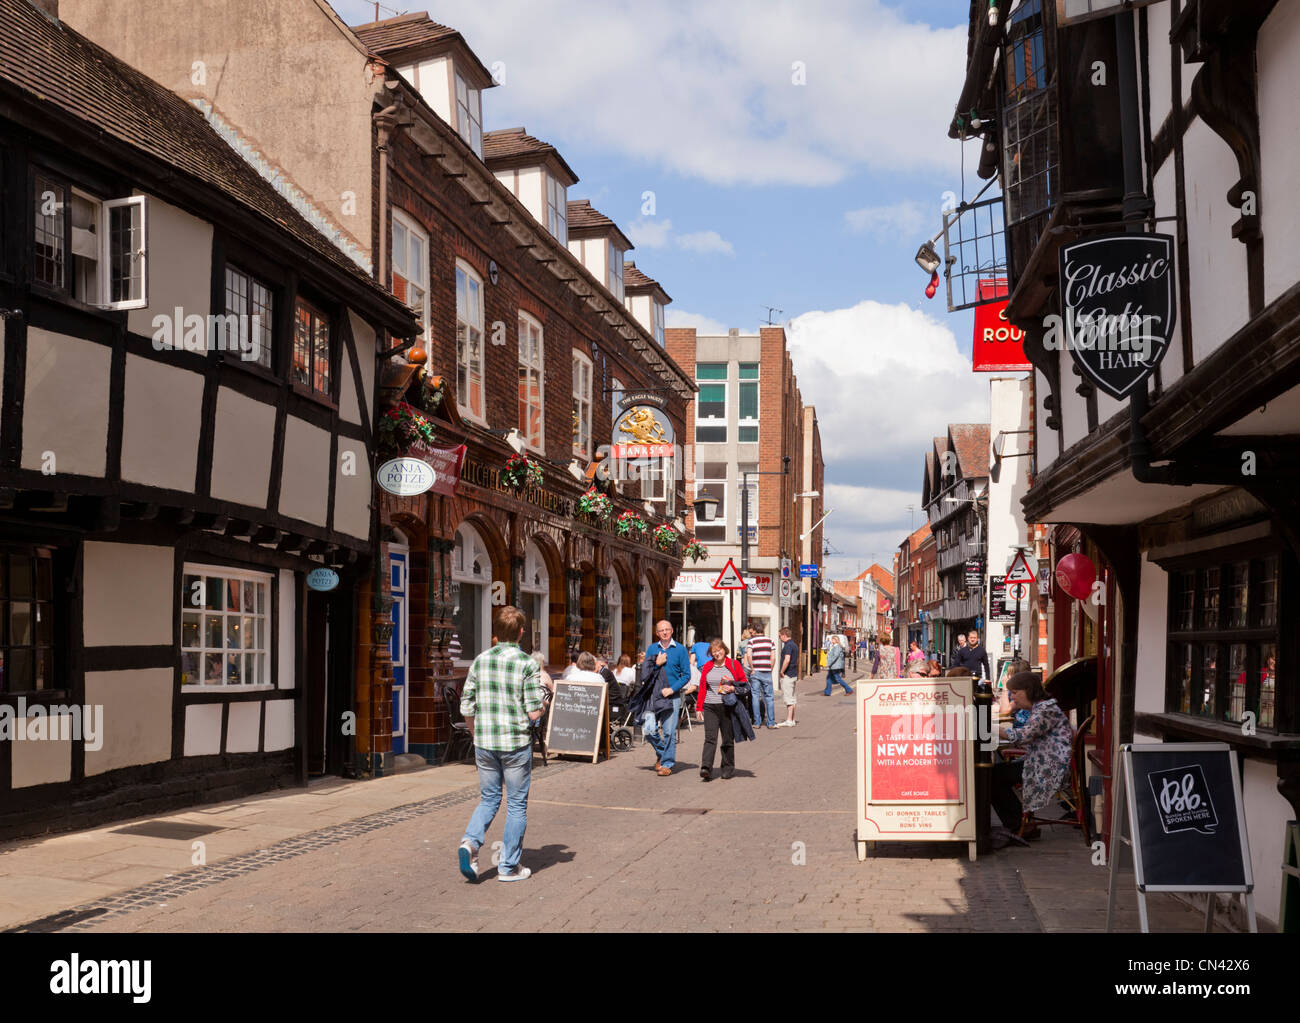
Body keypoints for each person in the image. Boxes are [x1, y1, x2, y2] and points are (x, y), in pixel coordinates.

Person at [457, 606, 548, 884]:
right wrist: (543, 704)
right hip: (514, 743)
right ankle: (508, 867)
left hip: (485, 742)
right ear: (521, 633)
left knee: (489, 798)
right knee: (517, 805)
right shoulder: (527, 663)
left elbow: (466, 706)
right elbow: (534, 712)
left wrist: (475, 735)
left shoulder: (480, 661)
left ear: (495, 632)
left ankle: (471, 842)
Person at [992, 671, 1074, 840]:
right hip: (1044, 762)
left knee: (993, 776)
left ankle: (1019, 825)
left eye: (1014, 692)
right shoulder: (1042, 708)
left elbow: (1024, 735)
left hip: (1049, 767)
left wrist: (989, 729)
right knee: (996, 773)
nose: (1012, 697)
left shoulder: (1045, 710)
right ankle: (1019, 823)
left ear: (1027, 690)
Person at [641, 619, 691, 776]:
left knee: (669, 731)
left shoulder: (681, 650)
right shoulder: (651, 649)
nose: (664, 632)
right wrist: (657, 664)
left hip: (672, 696)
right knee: (648, 729)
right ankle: (663, 753)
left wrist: (672, 689)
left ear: (672, 631)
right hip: (653, 696)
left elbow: (686, 675)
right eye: (661, 630)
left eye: (667, 629)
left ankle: (666, 764)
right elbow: (645, 673)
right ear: (657, 633)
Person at [695, 638, 748, 781]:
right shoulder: (707, 666)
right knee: (710, 738)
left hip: (727, 707)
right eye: (714, 652)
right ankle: (706, 767)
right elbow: (702, 688)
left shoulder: (734, 664)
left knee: (727, 739)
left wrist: (732, 688)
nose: (717, 653)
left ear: (725, 650)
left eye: (719, 650)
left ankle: (727, 767)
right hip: (710, 706)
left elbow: (744, 684)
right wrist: (699, 707)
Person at [745, 628, 777, 728]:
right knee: (769, 697)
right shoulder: (770, 641)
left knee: (755, 696)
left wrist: (752, 668)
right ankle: (771, 722)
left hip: (755, 671)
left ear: (754, 631)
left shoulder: (751, 641)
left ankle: (757, 722)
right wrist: (770, 669)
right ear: (763, 630)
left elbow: (749, 655)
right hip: (766, 671)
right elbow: (773, 657)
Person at [776, 626, 799, 727]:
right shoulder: (794, 645)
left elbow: (787, 659)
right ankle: (792, 719)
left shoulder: (788, 646)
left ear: (784, 635)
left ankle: (789, 720)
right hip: (793, 674)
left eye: (780, 636)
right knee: (792, 698)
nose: (779, 638)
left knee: (788, 698)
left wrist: (782, 671)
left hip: (788, 675)